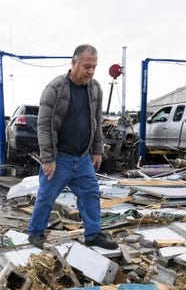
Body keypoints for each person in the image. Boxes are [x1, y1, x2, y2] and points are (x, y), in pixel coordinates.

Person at [27, 44, 118, 251]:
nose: (91, 71)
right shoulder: (56, 89)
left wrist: (97, 150)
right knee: (47, 196)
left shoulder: (95, 88)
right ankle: (35, 233)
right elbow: (44, 125)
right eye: (87, 66)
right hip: (60, 157)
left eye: (94, 67)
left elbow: (96, 120)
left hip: (83, 156)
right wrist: (48, 159)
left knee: (91, 194)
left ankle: (93, 235)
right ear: (74, 62)